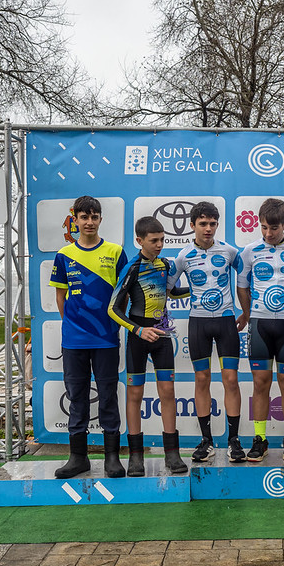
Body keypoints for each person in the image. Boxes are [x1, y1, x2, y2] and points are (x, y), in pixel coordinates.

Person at [49, 195, 128, 479]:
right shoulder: (64, 254)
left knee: (108, 395)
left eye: (94, 217)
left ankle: (112, 458)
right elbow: (60, 296)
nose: (90, 222)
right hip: (74, 340)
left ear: (100, 219)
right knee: (77, 397)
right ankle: (77, 457)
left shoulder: (116, 252)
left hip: (106, 337)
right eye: (84, 217)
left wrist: (113, 323)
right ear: (76, 220)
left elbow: (124, 293)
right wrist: (72, 323)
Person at [108, 216, 190, 476]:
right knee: (135, 395)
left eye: (163, 240)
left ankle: (172, 454)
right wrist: (139, 330)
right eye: (154, 241)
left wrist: (201, 286)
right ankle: (135, 457)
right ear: (139, 240)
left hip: (162, 335)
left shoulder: (165, 265)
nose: (159, 245)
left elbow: (173, 293)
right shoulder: (132, 268)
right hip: (138, 337)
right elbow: (113, 308)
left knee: (168, 392)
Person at [167, 201, 246, 463]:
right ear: (192, 226)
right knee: (201, 380)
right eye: (203, 224)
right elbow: (167, 288)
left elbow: (248, 279)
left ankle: (234, 441)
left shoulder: (230, 252)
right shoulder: (183, 256)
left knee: (231, 380)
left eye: (213, 223)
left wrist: (246, 311)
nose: (208, 228)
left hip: (226, 322)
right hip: (198, 323)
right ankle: (207, 441)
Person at [237, 199, 284, 461]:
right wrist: (246, 313)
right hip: (259, 325)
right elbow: (242, 286)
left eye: (274, 228)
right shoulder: (249, 251)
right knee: (260, 383)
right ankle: (260, 439)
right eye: (264, 227)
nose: (268, 233)